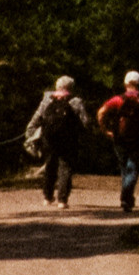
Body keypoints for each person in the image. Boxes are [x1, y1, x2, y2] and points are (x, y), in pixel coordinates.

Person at [97, 70, 139, 216]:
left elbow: (101, 112)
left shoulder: (118, 99)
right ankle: (126, 196)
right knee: (134, 168)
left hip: (120, 139)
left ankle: (127, 197)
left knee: (125, 167)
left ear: (125, 83)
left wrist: (105, 129)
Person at [25, 77, 93, 207]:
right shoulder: (75, 102)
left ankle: (47, 197)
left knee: (50, 166)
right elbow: (86, 121)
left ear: (57, 86)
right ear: (71, 87)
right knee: (65, 168)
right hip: (68, 139)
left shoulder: (47, 100)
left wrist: (30, 135)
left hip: (49, 139)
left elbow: (36, 119)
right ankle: (62, 200)